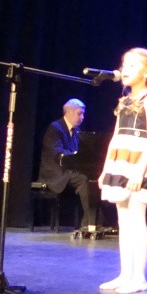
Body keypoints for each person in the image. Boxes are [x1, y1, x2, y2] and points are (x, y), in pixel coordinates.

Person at [98, 48, 147, 294]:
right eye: (124, 64)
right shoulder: (124, 101)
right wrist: (106, 168)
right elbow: (115, 137)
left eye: (132, 65)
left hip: (140, 162)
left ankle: (138, 278)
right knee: (123, 220)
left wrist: (139, 171)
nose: (125, 69)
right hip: (121, 160)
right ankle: (124, 274)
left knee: (136, 218)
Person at [38, 98, 96, 230]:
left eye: (83, 114)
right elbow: (57, 153)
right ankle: (90, 222)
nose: (82, 117)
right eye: (79, 113)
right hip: (55, 172)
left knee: (93, 179)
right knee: (83, 179)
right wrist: (75, 155)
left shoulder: (76, 131)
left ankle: (91, 221)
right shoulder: (55, 128)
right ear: (69, 112)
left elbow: (78, 152)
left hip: (69, 171)